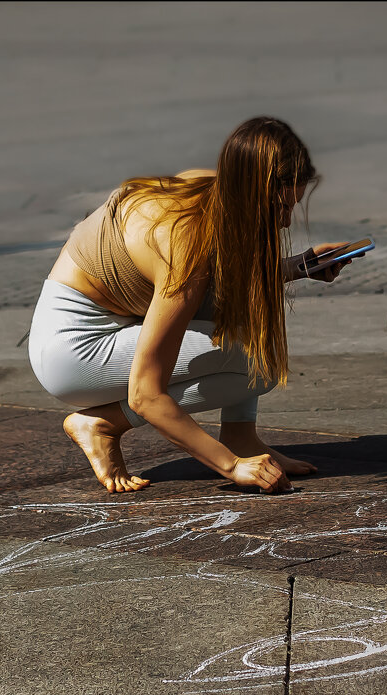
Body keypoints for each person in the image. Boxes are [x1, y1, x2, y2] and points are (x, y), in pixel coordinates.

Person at [28, 117, 355, 495]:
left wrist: (296, 267)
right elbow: (146, 394)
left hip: (108, 325)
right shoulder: (182, 242)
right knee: (256, 361)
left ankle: (241, 437)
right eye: (280, 207)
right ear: (250, 193)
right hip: (75, 352)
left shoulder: (211, 188)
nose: (284, 222)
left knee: (248, 325)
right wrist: (230, 468)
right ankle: (102, 423)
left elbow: (226, 278)